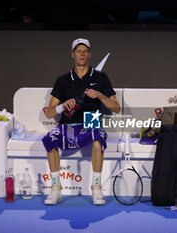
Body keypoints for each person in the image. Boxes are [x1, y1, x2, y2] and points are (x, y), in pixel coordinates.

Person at [42, 38, 121, 205]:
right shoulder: (62, 79)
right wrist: (63, 105)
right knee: (50, 139)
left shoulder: (101, 77)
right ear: (73, 54)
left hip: (91, 119)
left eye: (85, 51)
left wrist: (100, 95)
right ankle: (56, 188)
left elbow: (116, 107)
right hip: (67, 123)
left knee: (98, 141)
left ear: (90, 54)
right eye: (78, 51)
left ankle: (96, 188)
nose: (82, 54)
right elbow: (49, 113)